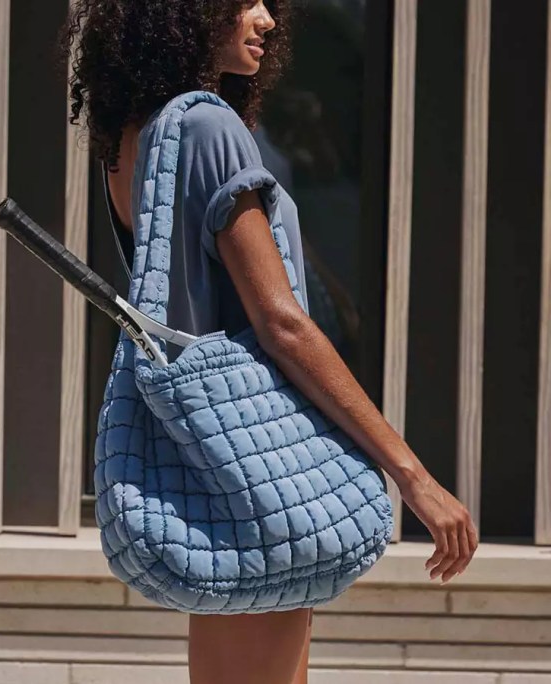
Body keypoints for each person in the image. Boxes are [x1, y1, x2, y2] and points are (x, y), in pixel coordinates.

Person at [59, 2, 478, 683]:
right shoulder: (205, 124)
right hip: (258, 465)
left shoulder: (137, 133)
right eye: (244, 2)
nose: (267, 20)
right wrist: (414, 477)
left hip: (216, 462)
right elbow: (281, 324)